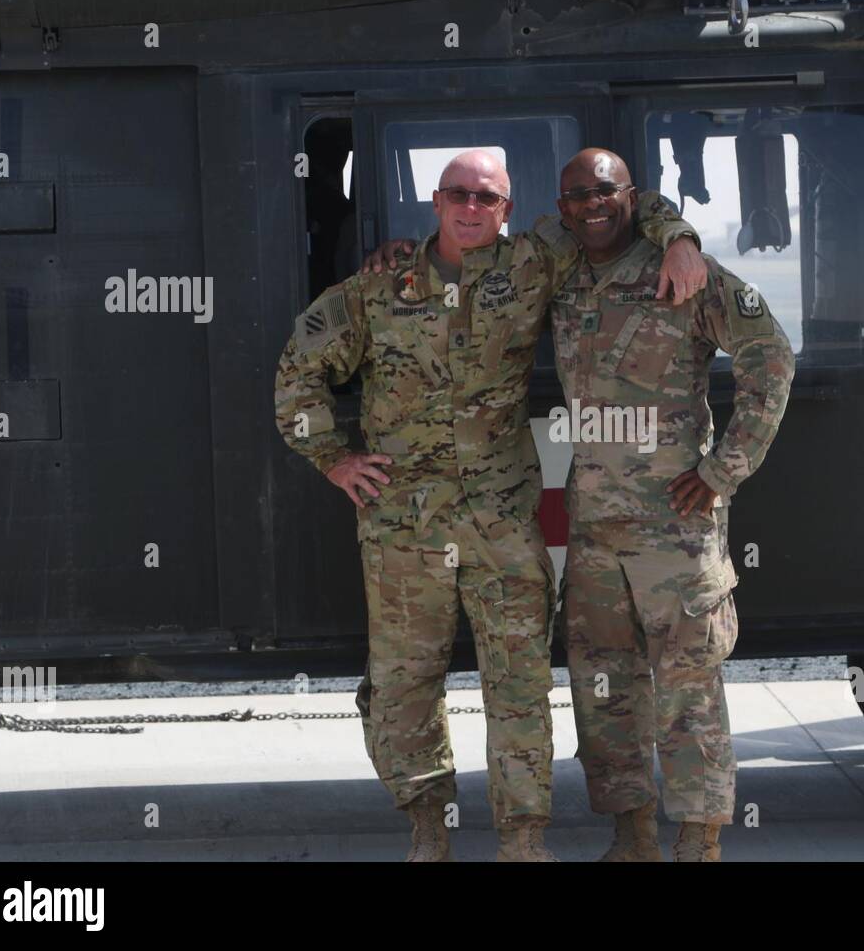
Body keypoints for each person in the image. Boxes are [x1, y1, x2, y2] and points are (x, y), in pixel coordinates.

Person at [275, 149, 704, 862]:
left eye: (487, 198)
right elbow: (299, 371)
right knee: (405, 684)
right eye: (458, 195)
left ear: (507, 210)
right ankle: (427, 830)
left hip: (502, 522)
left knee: (520, 684)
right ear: (436, 203)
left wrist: (681, 238)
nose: (472, 207)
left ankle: (523, 840)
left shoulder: (532, 265)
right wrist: (333, 457)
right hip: (403, 527)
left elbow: (615, 204)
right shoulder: (378, 289)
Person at [550, 149, 795, 861]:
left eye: (605, 192)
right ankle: (632, 839)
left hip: (676, 530)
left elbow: (771, 359)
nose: (591, 205)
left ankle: (699, 841)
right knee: (604, 693)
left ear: (631, 196)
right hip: (595, 529)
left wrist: (725, 470)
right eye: (576, 196)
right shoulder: (561, 270)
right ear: (563, 208)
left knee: (689, 693)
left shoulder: (680, 271)